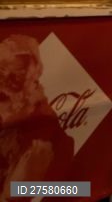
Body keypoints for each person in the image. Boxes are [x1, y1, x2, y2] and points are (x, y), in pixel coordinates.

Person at [0, 35, 74, 197]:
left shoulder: (55, 145)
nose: (2, 89)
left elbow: (76, 189)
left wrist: (18, 190)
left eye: (14, 79)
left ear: (33, 83)